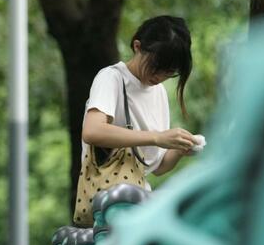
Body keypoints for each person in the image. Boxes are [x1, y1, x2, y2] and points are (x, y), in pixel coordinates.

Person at [81, 15, 200, 180]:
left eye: (169, 72)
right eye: (156, 66)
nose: (159, 76)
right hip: (106, 195)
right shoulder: (112, 78)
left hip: (136, 192)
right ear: (138, 46)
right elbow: (92, 131)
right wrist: (157, 138)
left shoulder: (159, 92)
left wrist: (179, 149)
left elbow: (156, 167)